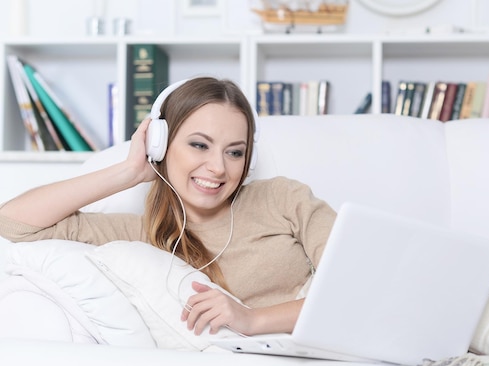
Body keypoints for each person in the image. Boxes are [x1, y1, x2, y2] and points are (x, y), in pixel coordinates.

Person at [0, 77, 336, 337]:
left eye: (234, 152)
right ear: (161, 145)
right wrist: (128, 172)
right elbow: (13, 223)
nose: (218, 167)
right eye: (199, 145)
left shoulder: (282, 198)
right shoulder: (139, 234)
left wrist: (252, 319)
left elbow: (358, 287)